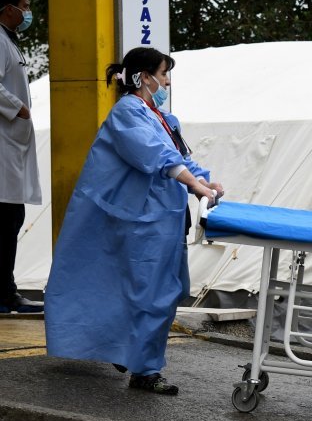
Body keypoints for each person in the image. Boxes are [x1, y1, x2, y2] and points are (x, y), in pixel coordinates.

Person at [45, 47, 223, 395]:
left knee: (164, 292)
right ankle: (144, 370)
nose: (168, 81)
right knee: (151, 295)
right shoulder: (127, 113)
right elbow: (156, 157)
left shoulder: (161, 117)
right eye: (164, 73)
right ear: (144, 77)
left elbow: (179, 157)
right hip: (142, 223)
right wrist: (196, 185)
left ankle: (130, 350)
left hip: (163, 221)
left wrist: (207, 182)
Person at [0, 0, 43, 314]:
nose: (27, 12)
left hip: (11, 146)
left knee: (11, 217)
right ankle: (6, 293)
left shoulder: (8, 41)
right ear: (8, 8)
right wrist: (18, 107)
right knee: (8, 217)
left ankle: (5, 291)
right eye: (24, 6)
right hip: (4, 146)